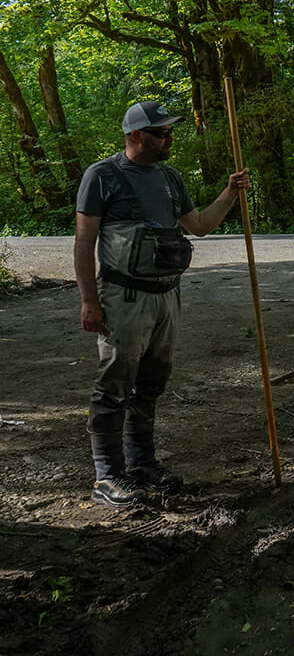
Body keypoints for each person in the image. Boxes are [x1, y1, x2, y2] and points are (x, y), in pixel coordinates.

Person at [75, 100, 250, 508]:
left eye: (170, 131)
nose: (169, 138)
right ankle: (107, 476)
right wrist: (89, 301)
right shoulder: (102, 176)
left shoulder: (171, 178)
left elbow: (200, 226)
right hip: (124, 297)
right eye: (161, 132)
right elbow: (84, 242)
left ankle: (141, 465)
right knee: (115, 382)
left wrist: (230, 192)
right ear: (136, 135)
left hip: (168, 295)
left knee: (151, 383)